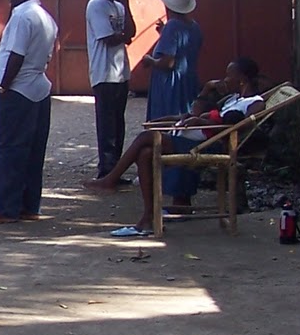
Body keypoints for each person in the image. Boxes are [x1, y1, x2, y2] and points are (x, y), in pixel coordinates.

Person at [85, 58, 267, 236]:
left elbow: (239, 126)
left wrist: (202, 121)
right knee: (145, 153)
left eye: (229, 76)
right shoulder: (232, 99)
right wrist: (206, 90)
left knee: (147, 137)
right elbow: (198, 111)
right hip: (193, 141)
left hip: (209, 146)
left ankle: (110, 180)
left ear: (242, 79)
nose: (225, 80)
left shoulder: (255, 103)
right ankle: (148, 218)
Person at [0, 0, 58, 224]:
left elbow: (16, 55)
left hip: (18, 90)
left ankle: (7, 206)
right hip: (38, 89)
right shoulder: (45, 17)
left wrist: (3, 86)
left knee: (8, 149)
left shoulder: (22, 16)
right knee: (33, 150)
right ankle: (29, 204)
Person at [86, 0, 136, 181]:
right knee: (107, 123)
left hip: (120, 71)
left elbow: (130, 33)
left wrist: (127, 4)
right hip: (104, 72)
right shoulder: (96, 5)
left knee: (118, 122)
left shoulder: (118, 6)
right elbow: (109, 38)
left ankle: (115, 167)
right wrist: (124, 36)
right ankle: (106, 168)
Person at [143, 0, 203, 121]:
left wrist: (149, 60)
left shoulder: (172, 26)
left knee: (165, 122)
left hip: (170, 85)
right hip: (188, 81)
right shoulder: (194, 27)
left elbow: (168, 63)